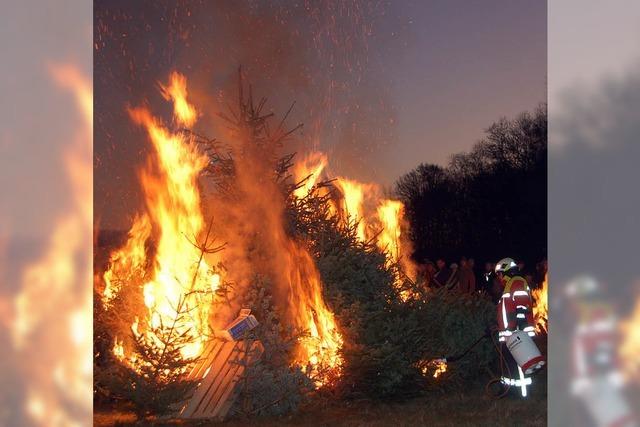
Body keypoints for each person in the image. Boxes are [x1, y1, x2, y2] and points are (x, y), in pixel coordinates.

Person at [494, 257, 540, 397]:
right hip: (511, 333)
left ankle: (521, 393)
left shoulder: (517, 282)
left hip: (517, 333)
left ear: (506, 271)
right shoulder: (511, 284)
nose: (499, 277)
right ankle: (509, 390)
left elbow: (521, 307)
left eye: (500, 274)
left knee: (518, 364)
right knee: (509, 364)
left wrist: (517, 329)